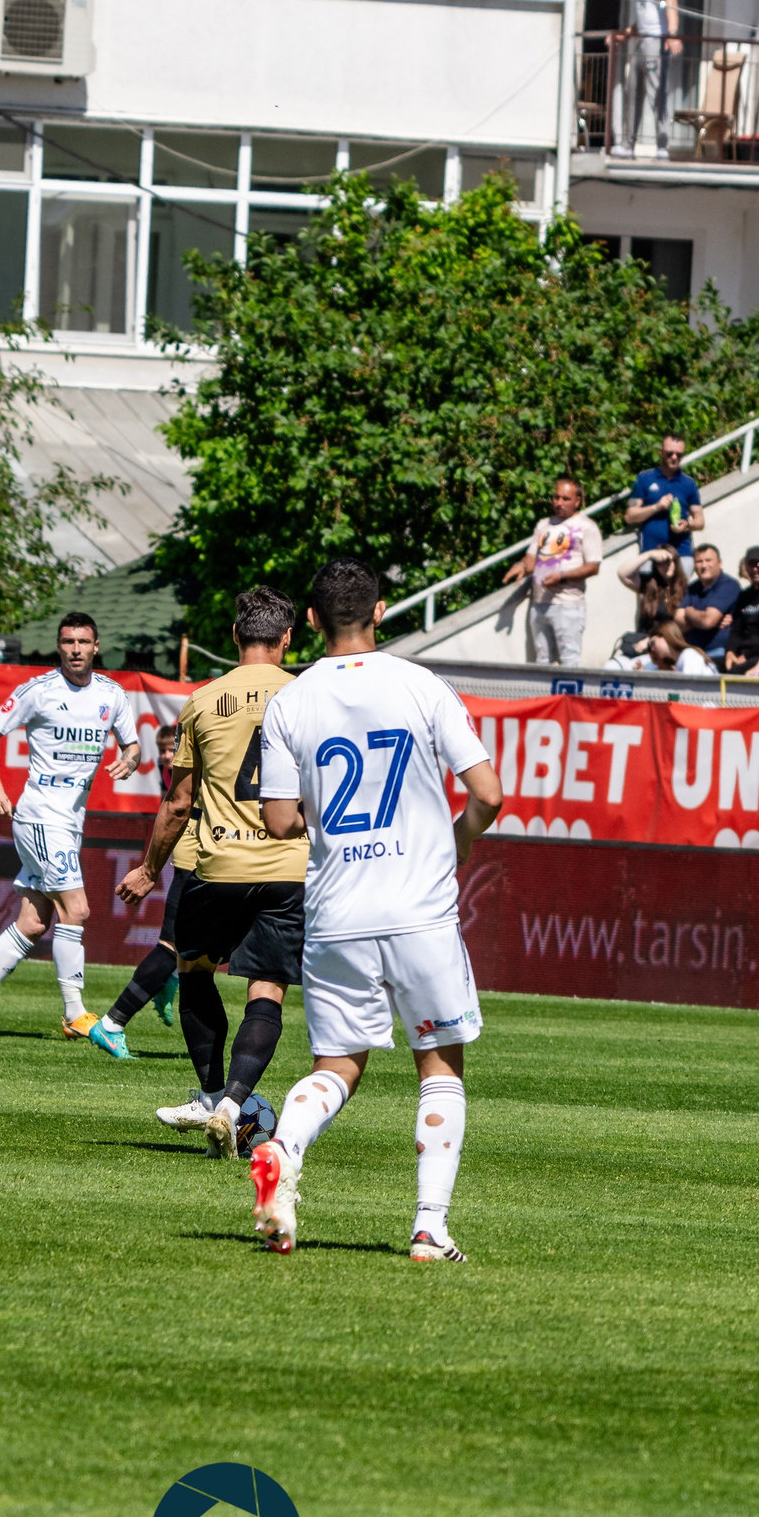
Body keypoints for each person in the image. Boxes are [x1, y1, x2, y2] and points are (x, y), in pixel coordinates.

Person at [250, 559, 506, 1260]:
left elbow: (277, 821)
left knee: (338, 1067)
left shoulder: (292, 701)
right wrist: (454, 840)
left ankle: (283, 1144)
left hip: (336, 912)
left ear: (309, 620)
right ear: (383, 611)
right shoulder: (420, 683)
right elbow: (488, 792)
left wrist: (337, 823)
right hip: (420, 908)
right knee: (440, 1066)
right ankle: (429, 1225)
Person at [125, 588, 307, 1159]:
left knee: (193, 971)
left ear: (234, 636)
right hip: (288, 865)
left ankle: (210, 1097)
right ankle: (233, 1106)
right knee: (267, 990)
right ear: (286, 640)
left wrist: (151, 867)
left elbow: (179, 801)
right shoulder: (308, 696)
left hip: (220, 864)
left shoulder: (203, 700)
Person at [0, 613, 140, 1041]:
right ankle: (75, 1013)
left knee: (34, 922)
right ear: (59, 645)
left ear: (96, 646)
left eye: (83, 641)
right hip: (40, 816)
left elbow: (133, 745)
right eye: (68, 641)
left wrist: (130, 759)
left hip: (70, 821)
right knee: (78, 909)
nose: (75, 649)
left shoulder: (112, 694)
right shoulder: (39, 690)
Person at [80, 719, 186, 1063]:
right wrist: (150, 867)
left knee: (192, 946)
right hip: (196, 861)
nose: (168, 756)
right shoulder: (181, 775)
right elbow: (177, 810)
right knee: (173, 946)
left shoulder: (177, 772)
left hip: (199, 859)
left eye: (172, 750)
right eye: (165, 751)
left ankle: (167, 980)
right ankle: (112, 1023)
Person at [506, 476, 600, 668]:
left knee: (569, 663)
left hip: (568, 605)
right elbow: (532, 557)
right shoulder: (543, 524)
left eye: (565, 499)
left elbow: (593, 566)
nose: (559, 503)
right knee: (542, 662)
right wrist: (522, 567)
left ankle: (571, 699)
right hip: (539, 603)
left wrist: (562, 577)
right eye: (556, 497)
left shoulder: (587, 526)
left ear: (577, 501)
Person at [609, 0, 681, 160]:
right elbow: (645, 15)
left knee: (656, 93)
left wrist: (672, 35)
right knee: (632, 92)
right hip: (642, 42)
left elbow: (671, 1)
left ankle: (662, 145)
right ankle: (627, 145)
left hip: (656, 43)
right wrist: (625, 35)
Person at [622, 433, 703, 557]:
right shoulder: (644, 479)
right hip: (651, 553)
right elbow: (629, 516)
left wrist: (687, 525)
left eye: (679, 454)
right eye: (669, 453)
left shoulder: (689, 483)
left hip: (681, 553)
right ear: (661, 452)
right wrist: (656, 507)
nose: (674, 457)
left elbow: (700, 521)